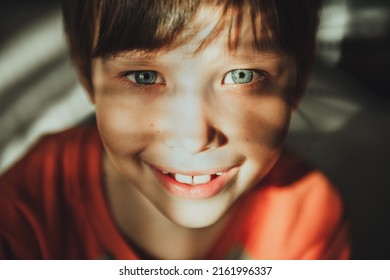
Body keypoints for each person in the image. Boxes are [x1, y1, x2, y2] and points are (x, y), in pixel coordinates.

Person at [0, 0, 350, 259]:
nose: (193, 138)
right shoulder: (32, 202)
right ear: (86, 78)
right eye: (144, 76)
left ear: (299, 80)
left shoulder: (307, 219)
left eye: (241, 75)